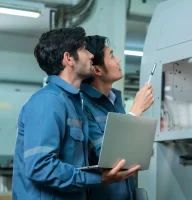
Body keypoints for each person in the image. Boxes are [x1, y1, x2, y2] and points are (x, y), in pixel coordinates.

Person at [12, 27, 140, 200]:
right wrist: (97, 178)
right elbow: (40, 166)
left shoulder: (73, 102)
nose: (91, 55)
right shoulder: (48, 101)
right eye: (84, 50)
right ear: (69, 58)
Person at [80, 35, 154, 200]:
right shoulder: (83, 106)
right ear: (97, 70)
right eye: (112, 55)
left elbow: (131, 154)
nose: (118, 59)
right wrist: (136, 110)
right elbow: (112, 160)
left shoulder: (114, 101)